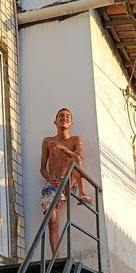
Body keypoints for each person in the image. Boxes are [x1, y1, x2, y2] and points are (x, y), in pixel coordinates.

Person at [40, 108, 92, 255]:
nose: (65, 118)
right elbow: (42, 168)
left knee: (75, 159)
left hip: (70, 182)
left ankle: (82, 192)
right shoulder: (47, 141)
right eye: (61, 116)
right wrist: (50, 179)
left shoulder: (76, 140)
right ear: (55, 121)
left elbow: (79, 158)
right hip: (53, 182)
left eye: (68, 116)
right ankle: (55, 257)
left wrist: (63, 148)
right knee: (52, 221)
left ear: (72, 123)